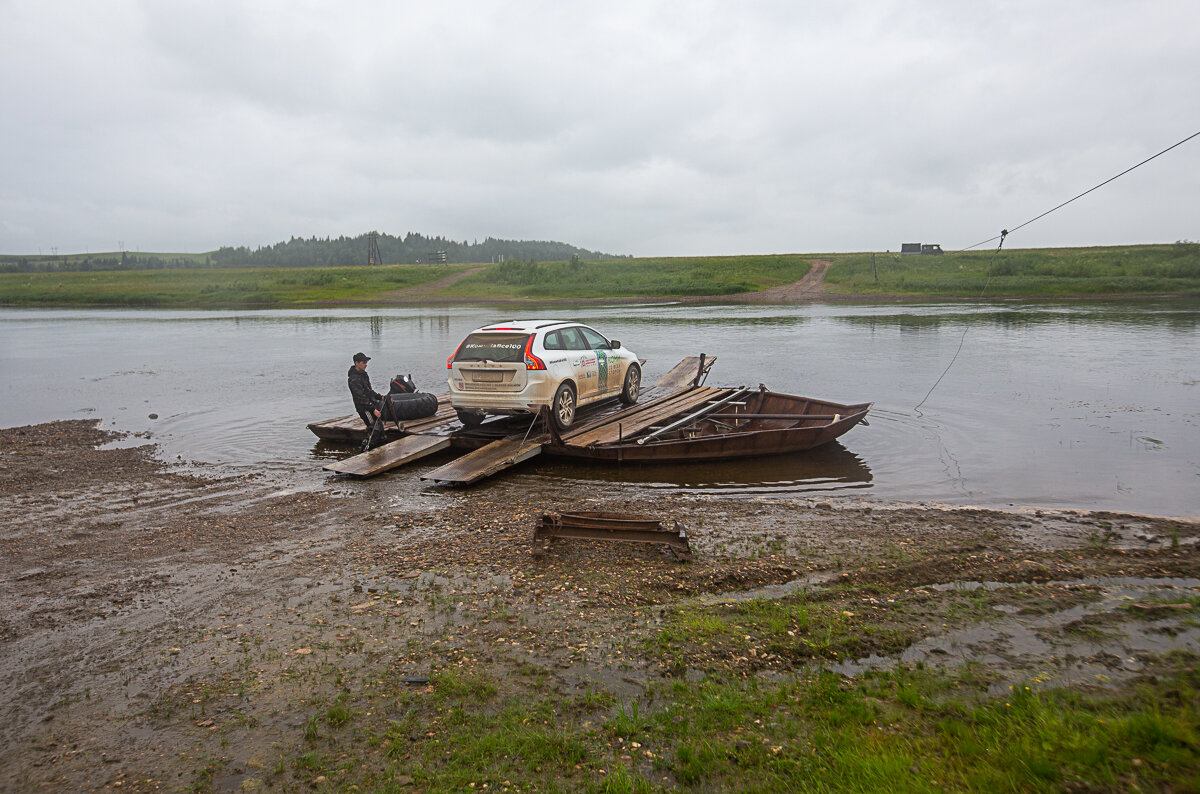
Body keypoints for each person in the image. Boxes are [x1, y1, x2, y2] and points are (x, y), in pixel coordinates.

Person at [347, 352, 383, 428]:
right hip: (364, 409)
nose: (366, 365)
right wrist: (373, 409)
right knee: (372, 427)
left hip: (371, 405)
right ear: (356, 363)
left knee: (378, 425)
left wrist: (380, 397)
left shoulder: (364, 375)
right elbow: (360, 397)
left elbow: (369, 391)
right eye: (363, 363)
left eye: (366, 363)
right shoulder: (353, 379)